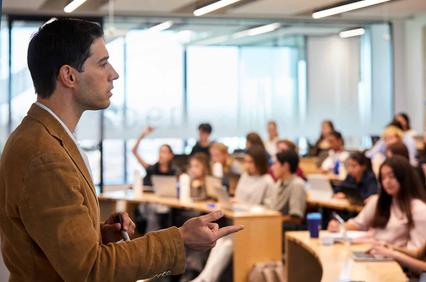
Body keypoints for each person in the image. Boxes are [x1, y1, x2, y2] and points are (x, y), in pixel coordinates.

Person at [0, 19, 242, 281]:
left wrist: (96, 233)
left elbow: (51, 250)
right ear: (69, 75)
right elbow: (91, 269)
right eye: (103, 63)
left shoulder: (44, 137)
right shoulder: (44, 156)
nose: (113, 73)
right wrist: (180, 239)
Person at [191, 145, 275, 282]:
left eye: (250, 162)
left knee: (228, 244)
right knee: (220, 240)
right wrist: (234, 202)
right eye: (246, 161)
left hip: (255, 227)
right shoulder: (245, 177)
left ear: (259, 162)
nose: (247, 165)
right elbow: (239, 197)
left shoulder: (267, 181)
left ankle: (208, 279)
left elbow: (269, 208)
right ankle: (204, 277)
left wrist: (245, 206)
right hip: (239, 222)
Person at [328, 156, 426, 249]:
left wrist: (390, 249)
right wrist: (339, 226)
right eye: (383, 178)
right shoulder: (378, 201)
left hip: (395, 261)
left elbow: (416, 251)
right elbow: (358, 223)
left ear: (404, 177)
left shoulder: (418, 209)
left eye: (391, 176)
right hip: (373, 252)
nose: (387, 181)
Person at [269, 150, 307, 225]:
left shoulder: (297, 184)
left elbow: (296, 219)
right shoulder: (278, 183)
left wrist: (271, 220)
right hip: (274, 223)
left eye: (275, 164)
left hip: (283, 228)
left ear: (285, 166)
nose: (272, 168)